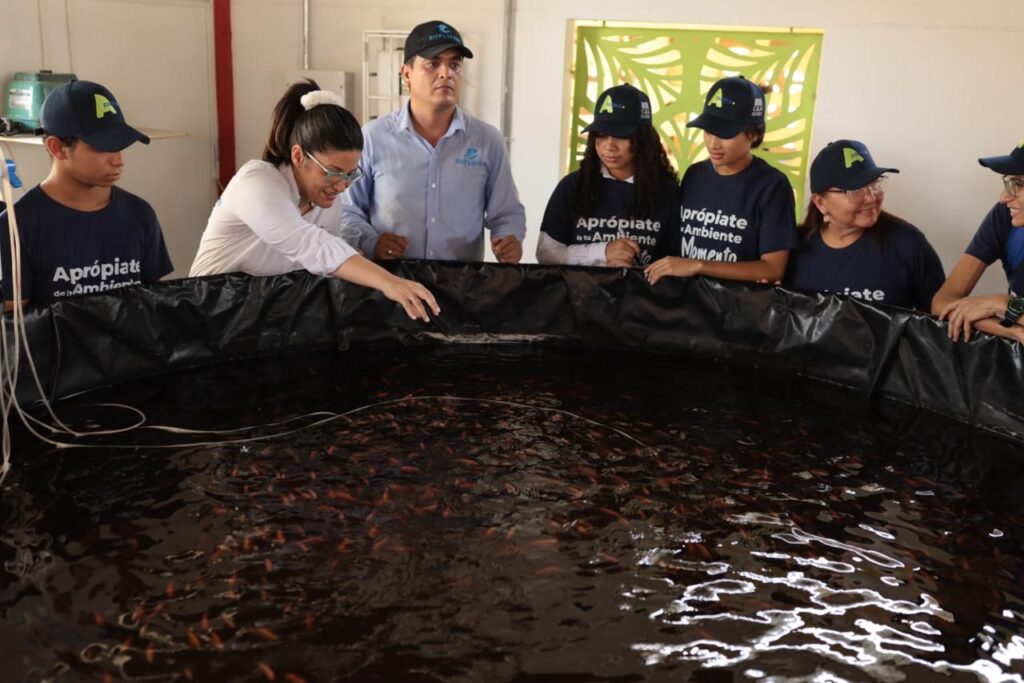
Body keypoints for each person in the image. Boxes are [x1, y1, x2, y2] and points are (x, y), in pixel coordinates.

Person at [189, 81, 439, 322]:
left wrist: (350, 255)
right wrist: (388, 282)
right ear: (298, 156)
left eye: (350, 174)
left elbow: (322, 262)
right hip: (210, 319)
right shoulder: (257, 183)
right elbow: (310, 245)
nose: (341, 186)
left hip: (263, 322)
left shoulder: (326, 201)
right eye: (332, 172)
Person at [340, 20, 526, 264]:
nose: (446, 73)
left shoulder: (487, 141)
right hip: (389, 279)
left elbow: (507, 211)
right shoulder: (372, 138)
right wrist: (371, 242)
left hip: (463, 283)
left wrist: (510, 238)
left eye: (455, 65)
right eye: (433, 63)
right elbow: (347, 210)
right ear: (407, 74)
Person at [0, 79, 172, 306]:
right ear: (57, 148)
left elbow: (154, 306)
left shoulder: (140, 214)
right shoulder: (17, 226)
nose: (118, 160)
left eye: (120, 145)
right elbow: (14, 321)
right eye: (103, 147)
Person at [645, 75, 797, 285]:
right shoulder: (694, 175)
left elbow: (773, 269)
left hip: (737, 303)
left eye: (726, 134)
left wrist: (698, 265)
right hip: (688, 300)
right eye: (708, 131)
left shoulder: (772, 186)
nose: (713, 144)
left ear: (754, 134)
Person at [784, 140, 944, 311]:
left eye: (874, 184)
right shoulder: (792, 248)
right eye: (855, 190)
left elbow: (937, 318)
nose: (871, 197)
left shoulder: (908, 243)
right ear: (821, 202)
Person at [536, 84, 678, 267]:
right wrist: (602, 252)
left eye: (621, 135)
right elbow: (546, 253)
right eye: (601, 135)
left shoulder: (667, 192)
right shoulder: (572, 186)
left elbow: (676, 263)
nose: (609, 146)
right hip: (581, 287)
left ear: (643, 139)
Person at [933, 141, 1024, 343]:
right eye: (1007, 182)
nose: (1004, 197)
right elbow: (942, 303)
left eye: (1019, 184)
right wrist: (1013, 330)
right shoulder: (1005, 217)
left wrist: (1002, 304)